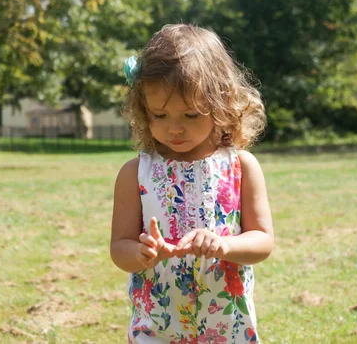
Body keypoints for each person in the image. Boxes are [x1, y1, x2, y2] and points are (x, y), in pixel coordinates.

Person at [110, 24, 274, 343]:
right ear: (144, 110)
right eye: (160, 115)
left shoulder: (241, 166)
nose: (175, 129)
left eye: (191, 115)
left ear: (221, 104)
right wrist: (144, 253)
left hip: (227, 323)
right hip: (157, 322)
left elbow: (263, 241)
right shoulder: (134, 173)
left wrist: (225, 245)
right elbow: (120, 248)